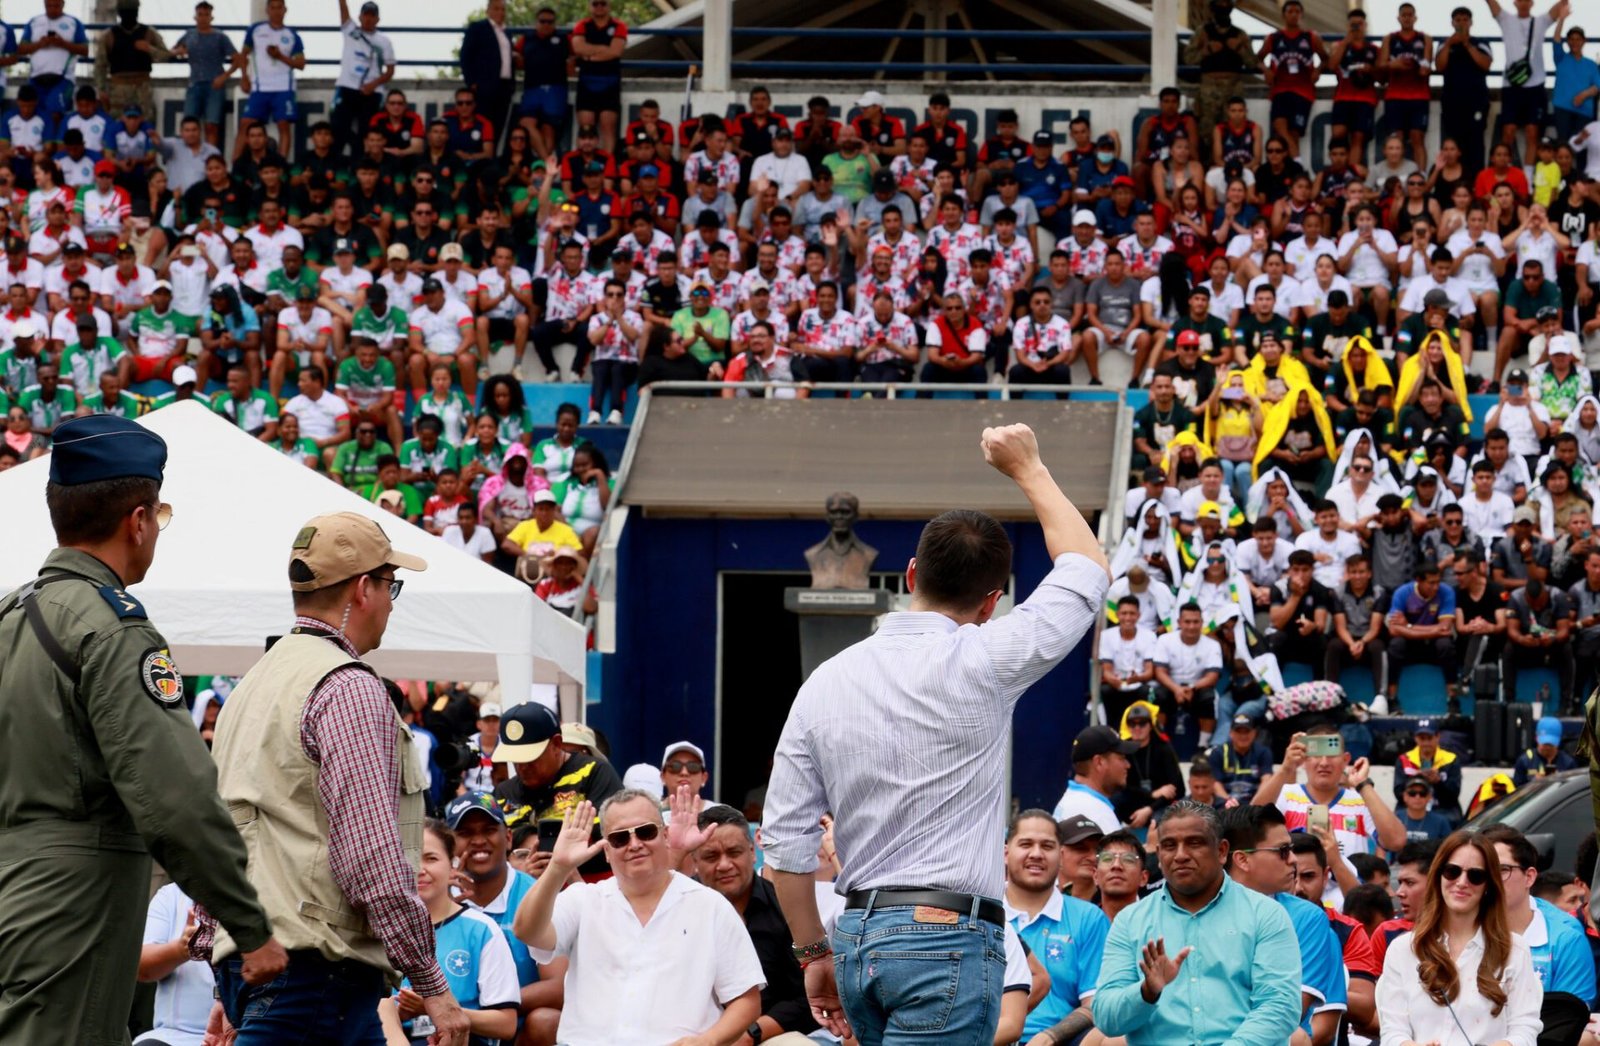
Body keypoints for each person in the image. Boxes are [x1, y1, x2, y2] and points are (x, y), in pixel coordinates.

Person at [761, 424, 1109, 1044]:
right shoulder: (990, 655)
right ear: (991, 602)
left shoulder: (824, 681)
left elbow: (785, 842)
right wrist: (1028, 468)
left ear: (912, 571)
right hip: (947, 936)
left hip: (859, 936)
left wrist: (814, 953)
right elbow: (1087, 570)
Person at [0, 415, 286, 1044]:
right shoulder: (114, 629)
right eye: (159, 516)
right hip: (75, 904)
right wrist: (248, 924)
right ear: (138, 520)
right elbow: (176, 796)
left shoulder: (12, 613)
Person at [203, 511, 468, 1045]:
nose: (392, 601)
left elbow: (221, 835)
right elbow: (368, 855)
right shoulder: (346, 686)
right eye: (392, 584)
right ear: (364, 589)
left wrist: (224, 976)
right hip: (315, 971)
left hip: (261, 962)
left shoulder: (247, 691)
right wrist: (434, 986)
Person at [513, 791, 764, 1044]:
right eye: (620, 838)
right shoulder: (584, 900)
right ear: (607, 851)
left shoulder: (710, 906)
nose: (634, 845)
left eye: (645, 832)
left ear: (665, 836)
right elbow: (527, 930)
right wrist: (559, 867)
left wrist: (707, 1041)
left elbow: (746, 999)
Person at [1092, 801, 1301, 1045]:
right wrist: (1146, 993)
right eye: (1170, 846)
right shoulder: (1130, 921)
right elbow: (1105, 1017)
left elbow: (1280, 1007)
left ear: (1222, 851)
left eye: (1194, 843)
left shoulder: (1265, 915)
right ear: (1159, 855)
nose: (1180, 855)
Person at [1374, 830, 1542, 1046]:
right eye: (1452, 871)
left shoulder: (1514, 949)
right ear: (1438, 876)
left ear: (1489, 885)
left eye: (1476, 875)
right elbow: (1392, 1032)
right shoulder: (1404, 949)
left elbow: (1525, 1030)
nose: (1462, 882)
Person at [376, 819, 519, 1045]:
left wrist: (432, 1008)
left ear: (453, 865)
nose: (420, 869)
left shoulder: (481, 929)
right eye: (408, 858)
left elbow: (506, 1024)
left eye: (431, 858)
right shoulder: (378, 931)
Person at [1219, 804, 1349, 1046]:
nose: (1293, 860)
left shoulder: (1307, 917)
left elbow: (1289, 1012)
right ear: (1242, 860)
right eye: (1283, 850)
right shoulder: (1195, 909)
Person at [691, 805, 821, 1043]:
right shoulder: (679, 907)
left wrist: (752, 1033)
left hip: (763, 1033)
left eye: (734, 852)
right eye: (711, 856)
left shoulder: (785, 908)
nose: (724, 865)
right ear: (695, 861)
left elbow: (808, 998)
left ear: (752, 852)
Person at [1002, 809, 1110, 1044]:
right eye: (1026, 844)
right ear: (1006, 853)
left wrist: (1051, 1036)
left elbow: (1096, 1003)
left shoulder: (1089, 918)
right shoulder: (982, 914)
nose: (1037, 854)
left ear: (1060, 856)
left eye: (1047, 846)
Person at [490, 701, 624, 883]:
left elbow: (616, 837)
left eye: (531, 758)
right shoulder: (504, 792)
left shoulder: (594, 773)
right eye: (514, 758)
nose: (522, 767)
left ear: (557, 743)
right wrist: (522, 871)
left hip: (590, 887)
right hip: (525, 890)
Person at [330, 0, 394, 164]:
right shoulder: (351, 32)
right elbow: (344, 14)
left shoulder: (384, 41)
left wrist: (373, 85)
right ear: (360, 16)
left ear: (378, 19)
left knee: (366, 134)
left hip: (371, 93)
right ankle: (335, 169)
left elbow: (390, 70)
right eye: (366, 15)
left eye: (372, 16)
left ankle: (361, 168)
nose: (368, 19)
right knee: (338, 130)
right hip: (347, 87)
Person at [458, 0, 515, 153]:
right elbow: (465, 56)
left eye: (503, 10)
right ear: (488, 10)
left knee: (498, 126)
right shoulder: (478, 28)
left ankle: (491, 159)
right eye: (496, 9)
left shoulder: (506, 32)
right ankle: (478, 158)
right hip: (485, 86)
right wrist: (472, 82)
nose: (500, 13)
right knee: (483, 125)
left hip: (504, 86)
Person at [1393, 718, 1465, 822]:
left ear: (1438, 736)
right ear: (1416, 738)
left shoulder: (1451, 759)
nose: (1426, 743)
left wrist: (1438, 782)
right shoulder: (1404, 760)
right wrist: (1415, 779)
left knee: (1452, 820)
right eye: (1422, 738)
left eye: (1429, 738)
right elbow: (1398, 793)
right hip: (1412, 807)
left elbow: (1453, 796)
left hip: (1442, 808)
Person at [1512, 715, 1578, 783]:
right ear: (1536, 738)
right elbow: (1517, 790)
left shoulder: (1568, 763)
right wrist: (1533, 784)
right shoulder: (1524, 762)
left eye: (1551, 744)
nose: (1548, 747)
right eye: (1545, 743)